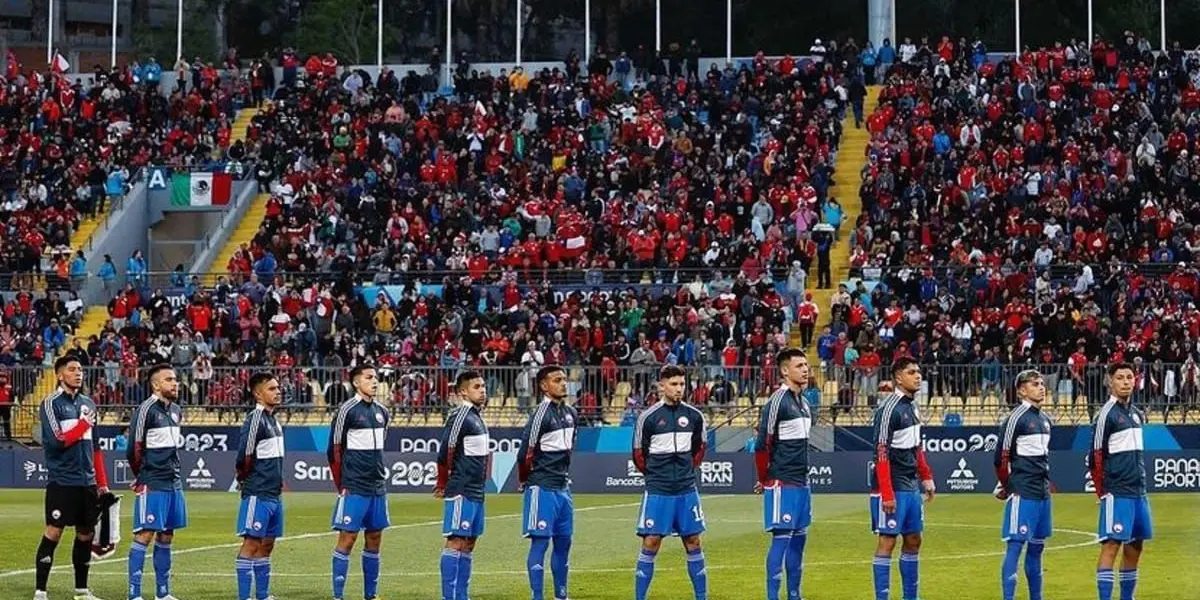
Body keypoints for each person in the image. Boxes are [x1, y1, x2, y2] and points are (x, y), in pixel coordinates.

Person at [630, 365, 709, 600]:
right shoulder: (648, 417)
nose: (679, 389)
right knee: (651, 541)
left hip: (686, 489)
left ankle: (701, 597)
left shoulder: (695, 416)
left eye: (682, 384)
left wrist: (686, 469)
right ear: (661, 386)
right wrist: (655, 475)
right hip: (658, 490)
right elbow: (638, 454)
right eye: (674, 384)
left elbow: (700, 449)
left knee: (693, 541)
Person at [34, 356, 110, 600]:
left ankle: (81, 590)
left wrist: (103, 484)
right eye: (72, 369)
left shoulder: (89, 403)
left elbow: (96, 448)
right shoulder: (50, 403)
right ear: (59, 375)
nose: (78, 373)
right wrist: (81, 425)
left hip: (87, 483)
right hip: (62, 482)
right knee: (54, 532)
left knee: (85, 534)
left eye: (80, 369)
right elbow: (57, 442)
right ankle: (41, 591)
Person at [869, 357, 936, 600]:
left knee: (914, 539)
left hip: (910, 484)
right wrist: (887, 493)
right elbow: (881, 452)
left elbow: (916, 447)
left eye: (919, 371)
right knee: (888, 541)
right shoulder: (889, 409)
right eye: (911, 372)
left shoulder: (913, 407)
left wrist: (926, 476)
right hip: (891, 485)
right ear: (898, 377)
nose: (918, 376)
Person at [753, 348, 814, 600]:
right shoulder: (778, 401)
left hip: (802, 482)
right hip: (782, 481)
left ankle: (794, 595)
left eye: (806, 365)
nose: (805, 369)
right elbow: (762, 444)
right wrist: (763, 477)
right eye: (799, 365)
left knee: (799, 542)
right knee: (781, 540)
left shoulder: (805, 403)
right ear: (785, 370)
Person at [1090, 362, 1152, 600]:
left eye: (1129, 377)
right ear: (1110, 382)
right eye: (1120, 378)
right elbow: (1095, 455)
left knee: (1136, 546)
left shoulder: (1137, 414)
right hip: (1117, 491)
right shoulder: (1106, 414)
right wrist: (1102, 492)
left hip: (1139, 491)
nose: (1126, 381)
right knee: (1112, 545)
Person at [327, 365, 389, 600]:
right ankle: (338, 596)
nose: (374, 381)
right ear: (356, 382)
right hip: (354, 486)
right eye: (368, 377)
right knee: (348, 538)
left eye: (376, 377)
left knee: (374, 538)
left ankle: (371, 595)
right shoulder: (347, 410)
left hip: (378, 487)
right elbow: (334, 450)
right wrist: (342, 484)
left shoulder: (383, 411)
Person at [126, 364, 186, 600]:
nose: (175, 383)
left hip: (174, 481)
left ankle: (163, 593)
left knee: (167, 535)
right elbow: (134, 448)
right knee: (145, 534)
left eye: (175, 379)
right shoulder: (145, 410)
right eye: (169, 379)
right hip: (153, 480)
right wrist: (142, 475)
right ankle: (134, 594)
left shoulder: (176, 410)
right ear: (156, 385)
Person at [519, 366, 579, 600]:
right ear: (544, 386)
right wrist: (526, 479)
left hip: (563, 487)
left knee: (564, 543)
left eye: (564, 379)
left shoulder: (572, 413)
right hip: (541, 487)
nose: (563, 384)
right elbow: (525, 452)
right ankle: (537, 596)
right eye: (557, 380)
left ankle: (561, 595)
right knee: (540, 543)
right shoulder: (540, 414)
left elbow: (571, 447)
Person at [994, 369, 1053, 600]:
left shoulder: (1046, 420)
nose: (1041, 387)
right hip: (1023, 491)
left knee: (1037, 548)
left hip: (1042, 493)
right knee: (1016, 545)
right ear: (1021, 391)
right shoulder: (1015, 418)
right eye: (1034, 384)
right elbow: (1001, 458)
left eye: (1041, 383)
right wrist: (1008, 485)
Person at [435, 370, 490, 600]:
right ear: (463, 392)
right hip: (461, 489)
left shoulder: (477, 416)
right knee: (456, 541)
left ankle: (462, 595)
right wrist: (443, 482)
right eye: (477, 387)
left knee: (469, 542)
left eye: (483, 386)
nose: (483, 390)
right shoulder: (460, 416)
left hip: (477, 491)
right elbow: (445, 450)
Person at [234, 373, 285, 600]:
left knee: (267, 545)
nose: (278, 391)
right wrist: (246, 479)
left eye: (278, 388)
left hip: (274, 493)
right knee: (252, 543)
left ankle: (262, 595)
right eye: (272, 388)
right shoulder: (255, 419)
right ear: (258, 393)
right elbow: (245, 455)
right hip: (258, 491)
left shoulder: (274, 420)